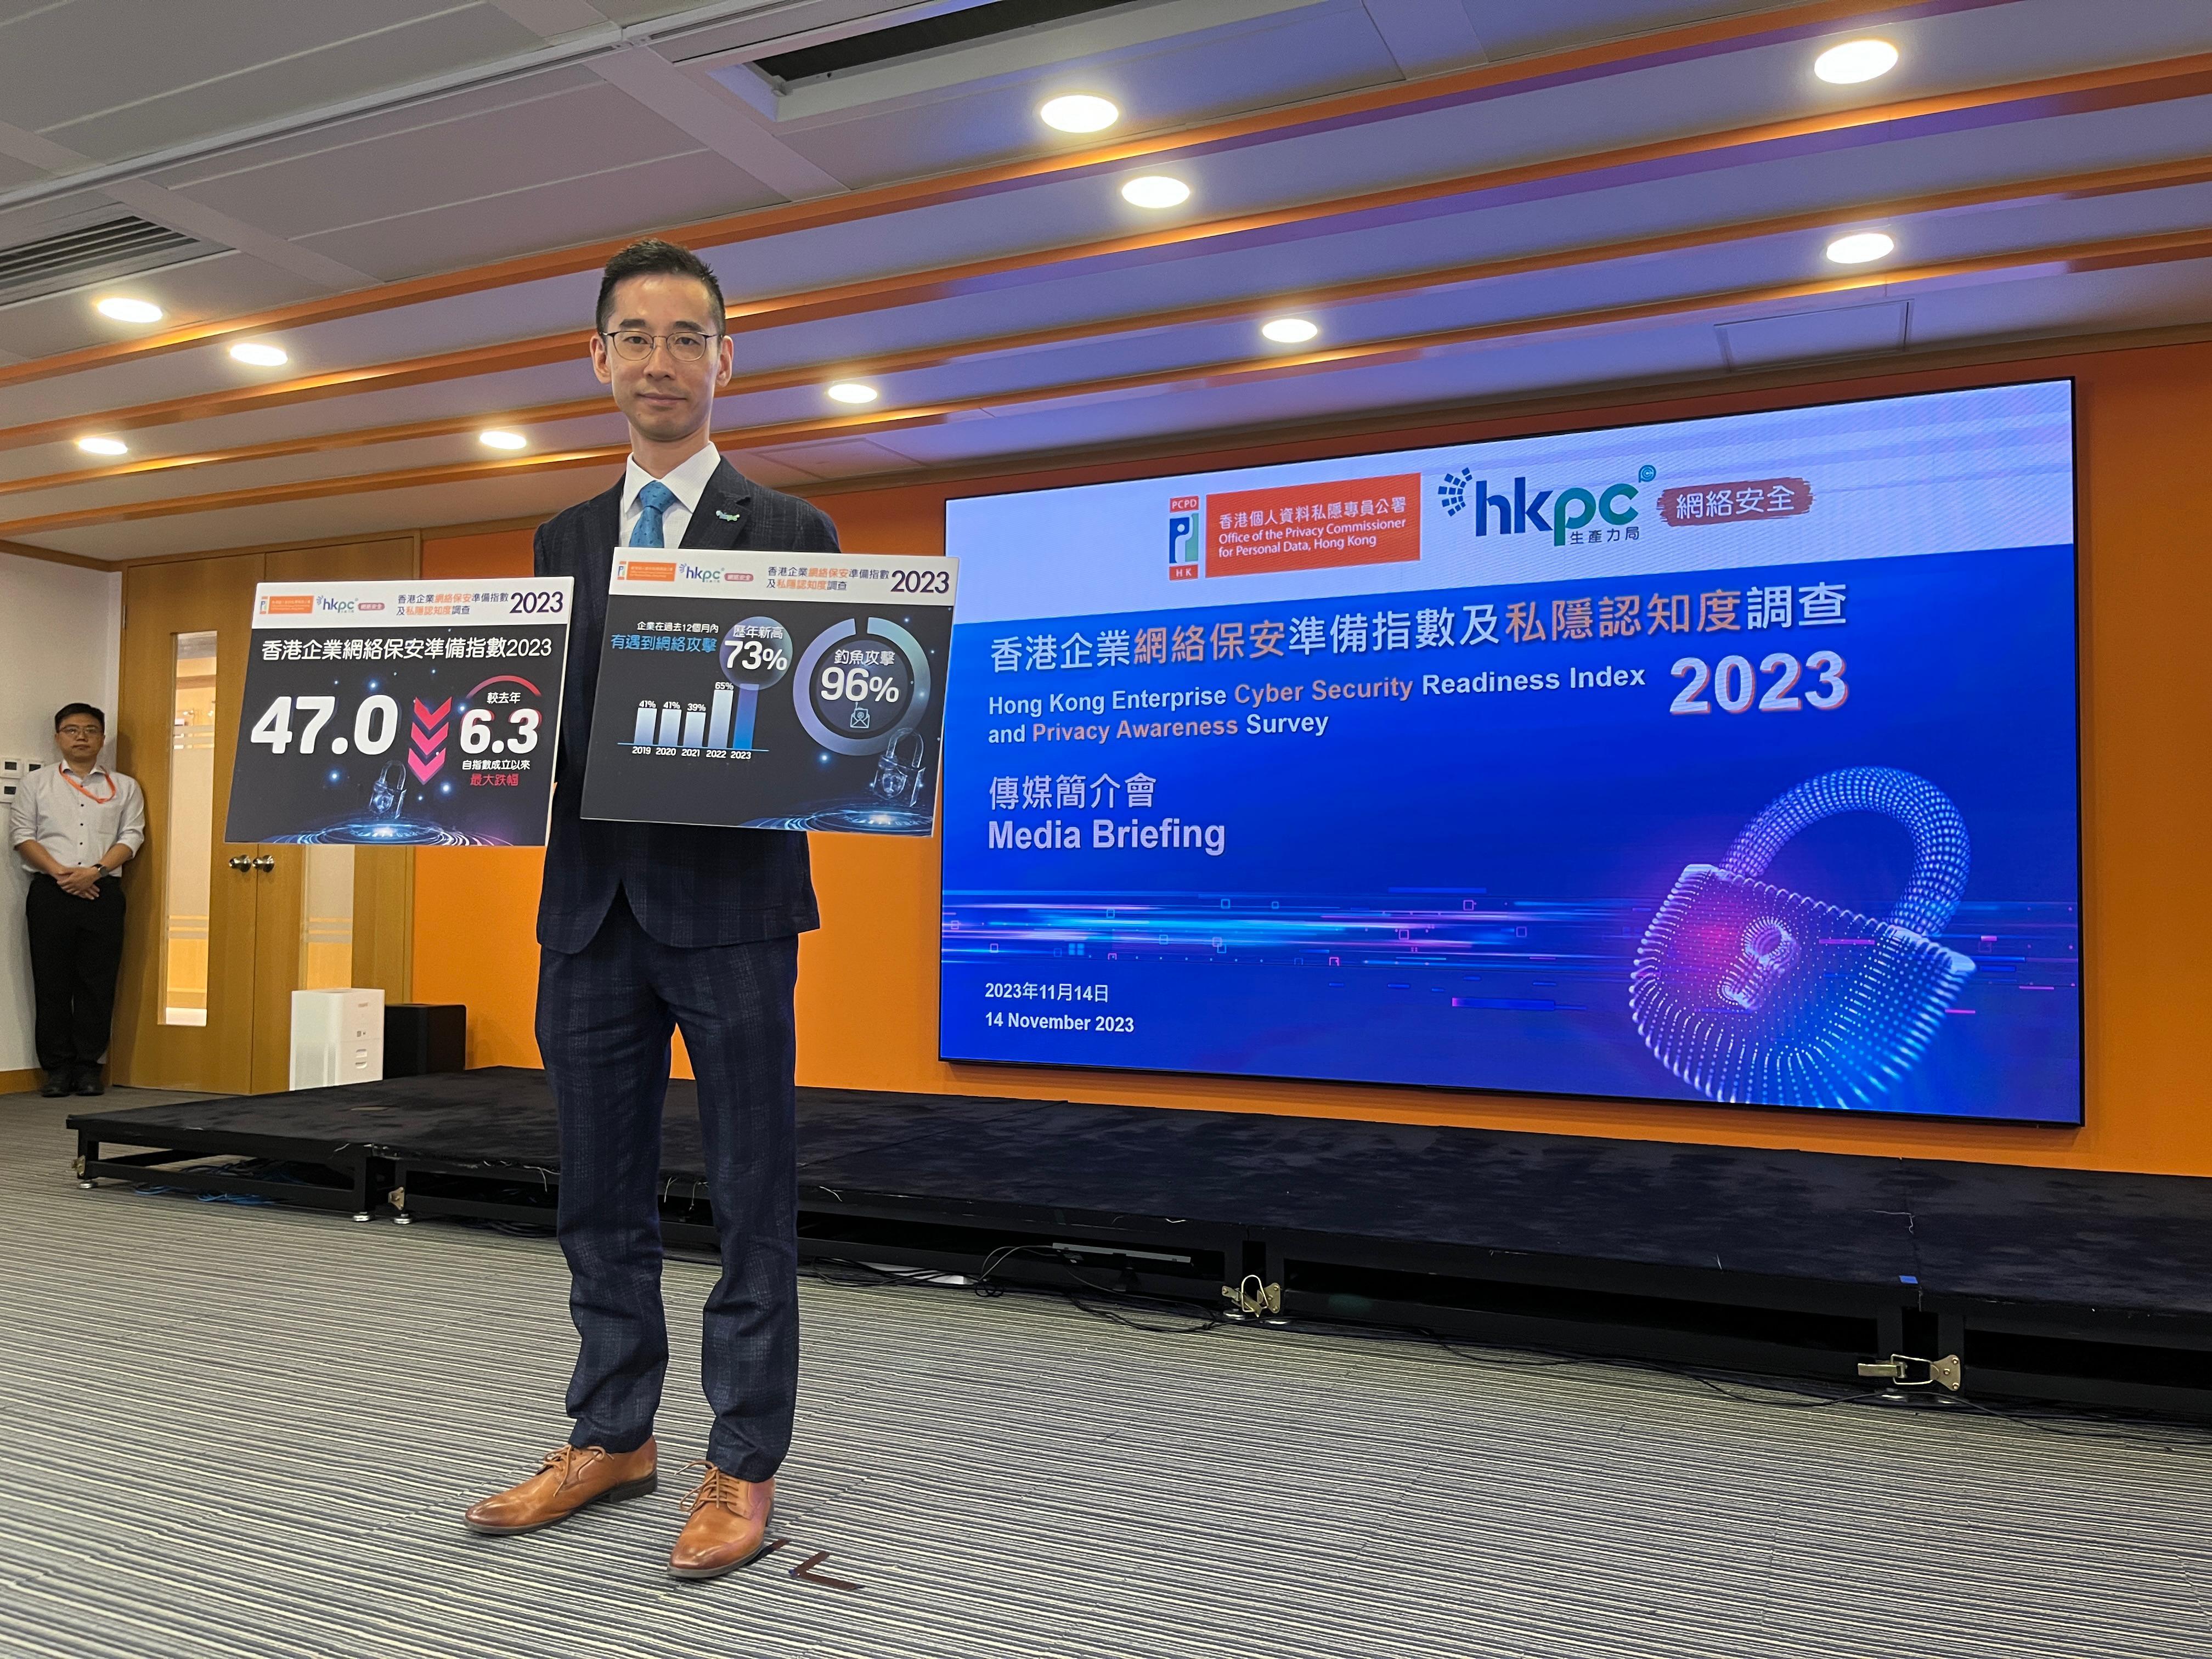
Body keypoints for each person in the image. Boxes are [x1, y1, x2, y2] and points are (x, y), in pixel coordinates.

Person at [462, 238, 839, 1581]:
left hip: (732, 910)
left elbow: (813, 732)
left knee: (750, 1197)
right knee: (596, 1195)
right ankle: (613, 1435)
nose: (660, 361)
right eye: (635, 336)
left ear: (727, 360)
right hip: (587, 911)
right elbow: (544, 726)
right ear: (598, 359)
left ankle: (745, 1461)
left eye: (687, 338)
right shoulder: (561, 539)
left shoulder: (794, 533)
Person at [10, 703, 145, 1098]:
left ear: (102, 738)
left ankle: (88, 1068)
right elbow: (22, 836)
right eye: (71, 730)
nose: (81, 737)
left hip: (103, 892)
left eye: (90, 730)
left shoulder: (126, 787)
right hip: (50, 893)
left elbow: (132, 836)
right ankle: (56, 1070)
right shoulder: (36, 784)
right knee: (51, 981)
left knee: (97, 983)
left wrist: (95, 872)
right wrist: (63, 875)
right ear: (58, 738)